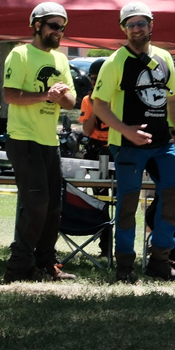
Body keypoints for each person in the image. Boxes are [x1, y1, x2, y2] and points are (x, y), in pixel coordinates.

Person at [92, 1, 175, 283]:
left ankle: (159, 259)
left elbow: (172, 98)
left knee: (174, 192)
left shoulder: (164, 57)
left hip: (162, 144)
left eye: (141, 23)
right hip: (127, 146)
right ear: (123, 29)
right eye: (131, 24)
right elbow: (99, 106)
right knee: (128, 204)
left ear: (151, 25)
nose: (136, 29)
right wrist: (127, 132)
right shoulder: (115, 62)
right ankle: (125, 265)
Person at [3, 2, 77, 283]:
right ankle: (18, 267)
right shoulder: (20, 54)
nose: (59, 32)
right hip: (23, 139)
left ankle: (47, 264)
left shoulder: (60, 60)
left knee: (54, 208)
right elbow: (9, 95)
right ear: (37, 25)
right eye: (54, 26)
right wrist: (44, 96)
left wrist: (59, 97)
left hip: (49, 141)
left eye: (63, 27)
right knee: (35, 204)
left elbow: (70, 102)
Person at [78, 57, 112, 257]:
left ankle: (116, 247)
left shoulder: (117, 97)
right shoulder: (87, 100)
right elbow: (87, 130)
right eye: (91, 79)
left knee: (119, 200)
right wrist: (95, 106)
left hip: (116, 150)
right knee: (101, 200)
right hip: (96, 151)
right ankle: (104, 246)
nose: (93, 82)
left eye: (97, 78)